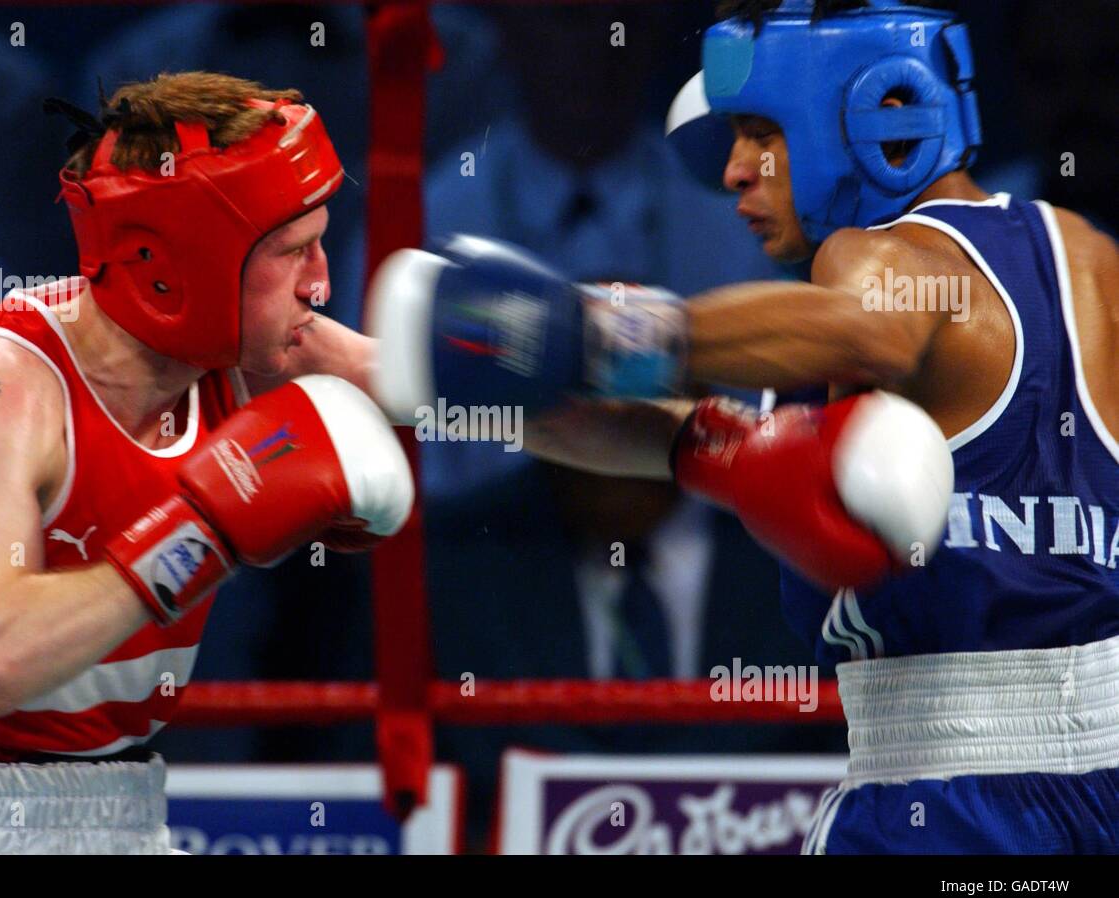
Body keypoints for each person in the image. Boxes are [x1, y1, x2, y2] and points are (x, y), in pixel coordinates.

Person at [367, 0, 1119, 852]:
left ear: (878, 114)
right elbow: (671, 440)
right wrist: (413, 372)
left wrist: (588, 331)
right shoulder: (1086, 258)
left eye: (760, 132)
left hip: (952, 803)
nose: (731, 171)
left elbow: (874, 326)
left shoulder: (870, 262)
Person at [0, 72, 414, 854]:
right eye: (293, 251)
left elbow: (446, 386)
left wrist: (608, 350)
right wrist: (207, 530)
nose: (321, 283)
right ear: (182, 263)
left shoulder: (248, 350)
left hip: (134, 815)